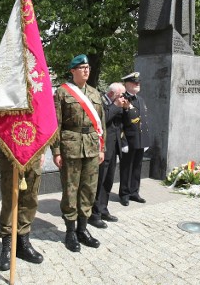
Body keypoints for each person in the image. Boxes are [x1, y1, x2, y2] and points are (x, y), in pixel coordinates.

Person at [52, 54, 106, 252]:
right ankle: (70, 232)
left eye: (88, 67)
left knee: (89, 189)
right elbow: (55, 124)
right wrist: (56, 150)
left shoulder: (94, 93)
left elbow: (102, 124)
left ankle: (83, 230)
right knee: (70, 190)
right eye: (81, 67)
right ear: (73, 71)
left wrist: (102, 148)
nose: (86, 70)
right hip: (70, 147)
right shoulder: (62, 93)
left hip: (92, 146)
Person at [0, 151, 45, 271]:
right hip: (10, 153)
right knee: (9, 201)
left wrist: (42, 150)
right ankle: (7, 247)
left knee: (30, 199)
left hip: (34, 151)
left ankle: (23, 244)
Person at [89, 82, 127, 229]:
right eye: (120, 95)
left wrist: (124, 108)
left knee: (108, 182)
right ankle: (94, 214)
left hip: (114, 147)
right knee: (99, 181)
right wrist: (116, 106)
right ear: (111, 94)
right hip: (102, 149)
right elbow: (101, 121)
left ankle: (103, 209)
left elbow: (122, 124)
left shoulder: (115, 103)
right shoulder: (101, 101)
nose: (122, 97)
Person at [119, 72, 151, 206]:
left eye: (138, 82)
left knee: (137, 167)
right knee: (126, 167)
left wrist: (146, 140)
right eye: (134, 82)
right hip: (129, 140)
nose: (137, 84)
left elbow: (144, 121)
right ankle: (124, 194)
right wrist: (123, 142)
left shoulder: (140, 99)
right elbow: (119, 123)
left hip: (140, 140)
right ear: (126, 84)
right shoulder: (122, 99)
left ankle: (134, 192)